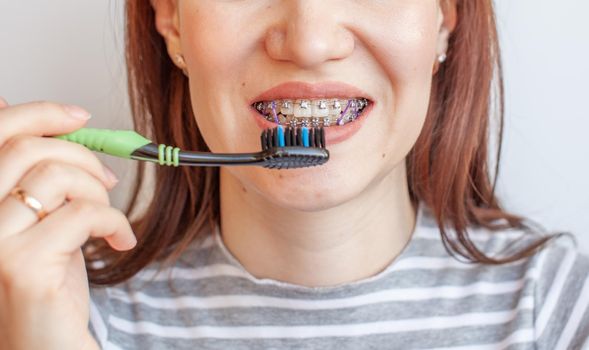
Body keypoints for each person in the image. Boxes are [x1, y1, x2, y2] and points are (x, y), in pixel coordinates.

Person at [0, 0, 587, 349]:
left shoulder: (560, 310)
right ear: (173, 20)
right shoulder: (49, 309)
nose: (309, 40)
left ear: (443, 17)